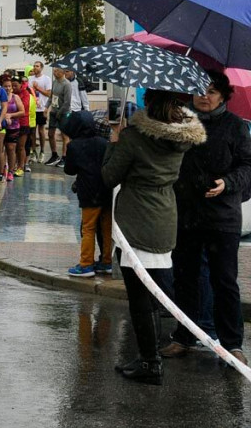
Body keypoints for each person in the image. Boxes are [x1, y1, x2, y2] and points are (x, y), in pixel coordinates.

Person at [102, 90, 206, 385]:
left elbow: (110, 176)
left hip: (136, 221)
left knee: (140, 297)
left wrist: (114, 144)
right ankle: (150, 354)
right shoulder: (182, 139)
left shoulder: (135, 137)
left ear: (149, 103)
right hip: (164, 215)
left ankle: (150, 361)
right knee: (154, 293)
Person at [162, 72, 251, 366]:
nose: (204, 96)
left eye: (212, 91)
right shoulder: (182, 123)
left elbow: (248, 165)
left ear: (223, 96)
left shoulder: (235, 127)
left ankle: (232, 344)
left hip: (223, 218)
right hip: (187, 215)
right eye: (199, 90)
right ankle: (184, 336)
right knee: (185, 279)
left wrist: (228, 182)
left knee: (224, 282)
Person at [62, 111, 113, 277]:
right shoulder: (103, 142)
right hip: (106, 190)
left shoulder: (74, 146)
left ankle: (86, 264)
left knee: (88, 228)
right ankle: (106, 262)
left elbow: (69, 170)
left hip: (88, 192)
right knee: (106, 228)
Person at [45, 67, 72, 167]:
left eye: (56, 71)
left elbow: (67, 102)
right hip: (54, 111)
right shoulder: (54, 82)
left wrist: (59, 113)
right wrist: (46, 108)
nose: (54, 72)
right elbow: (51, 97)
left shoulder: (67, 84)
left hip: (64, 113)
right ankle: (54, 155)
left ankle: (64, 157)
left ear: (62, 72)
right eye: (54, 70)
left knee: (64, 135)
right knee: (51, 133)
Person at [0, 75, 24, 181]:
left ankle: (11, 171)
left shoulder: (15, 97)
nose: (8, 88)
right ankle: (2, 169)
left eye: (9, 86)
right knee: (0, 149)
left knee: (11, 148)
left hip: (13, 126)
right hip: (1, 126)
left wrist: (11, 115)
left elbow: (22, 111)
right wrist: (4, 116)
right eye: (5, 86)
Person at [29, 62, 52, 160]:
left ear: (41, 68)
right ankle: (33, 151)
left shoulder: (46, 79)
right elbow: (29, 92)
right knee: (32, 131)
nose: (35, 67)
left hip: (42, 108)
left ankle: (42, 151)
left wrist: (37, 88)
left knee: (41, 130)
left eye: (37, 66)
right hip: (33, 108)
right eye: (34, 66)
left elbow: (48, 94)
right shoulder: (30, 79)